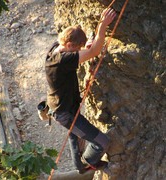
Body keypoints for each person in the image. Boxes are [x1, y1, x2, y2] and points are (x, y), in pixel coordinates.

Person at [45, 8, 116, 173]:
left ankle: (78, 164)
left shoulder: (55, 49)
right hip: (65, 113)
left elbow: (84, 51)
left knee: (75, 134)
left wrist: (84, 48)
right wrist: (102, 27)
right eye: (77, 50)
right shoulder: (63, 61)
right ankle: (86, 163)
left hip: (60, 107)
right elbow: (94, 52)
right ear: (69, 45)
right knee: (102, 142)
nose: (79, 52)